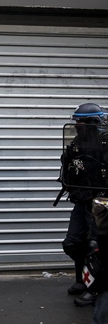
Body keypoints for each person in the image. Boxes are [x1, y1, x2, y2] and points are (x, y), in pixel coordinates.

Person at [58, 103, 107, 307]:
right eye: (76, 122)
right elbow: (69, 165)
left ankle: (96, 289)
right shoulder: (78, 141)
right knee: (73, 242)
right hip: (81, 200)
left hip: (101, 203)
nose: (77, 125)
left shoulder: (105, 142)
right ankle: (83, 280)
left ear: (92, 122)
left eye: (80, 122)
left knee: (96, 246)